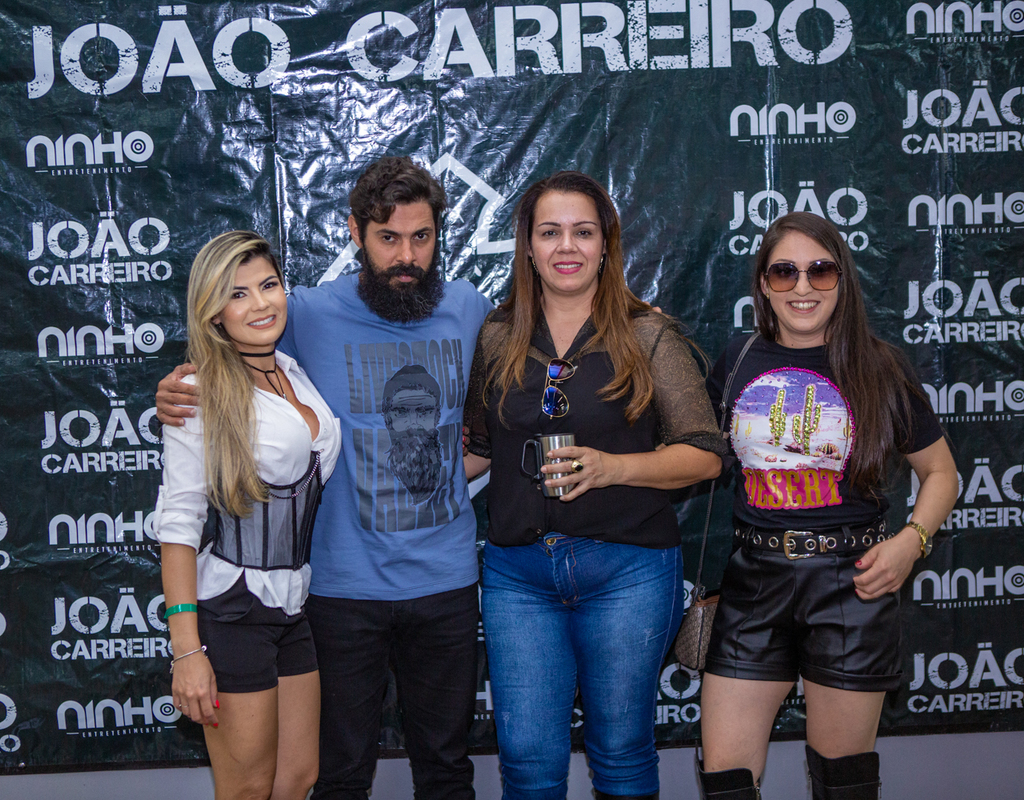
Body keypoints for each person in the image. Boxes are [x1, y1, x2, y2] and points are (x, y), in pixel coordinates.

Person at [157, 156, 494, 800]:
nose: (406, 256)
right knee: (335, 777)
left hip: (447, 582)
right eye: (388, 237)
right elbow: (228, 356)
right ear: (355, 232)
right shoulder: (304, 313)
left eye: (421, 237)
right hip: (337, 592)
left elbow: (534, 371)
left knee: (446, 771)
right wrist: (176, 388)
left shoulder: (471, 310)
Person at [462, 171, 728, 800]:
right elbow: (477, 450)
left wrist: (614, 467)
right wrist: (378, 479)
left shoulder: (648, 334)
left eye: (583, 232)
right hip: (518, 574)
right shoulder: (497, 335)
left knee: (620, 749)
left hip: (628, 570)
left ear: (606, 244)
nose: (566, 246)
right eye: (549, 232)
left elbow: (705, 456)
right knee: (527, 762)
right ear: (527, 245)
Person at [698, 212, 960, 799]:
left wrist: (912, 541)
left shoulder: (881, 366)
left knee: (844, 783)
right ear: (763, 284)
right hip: (754, 581)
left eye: (820, 270)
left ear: (842, 280)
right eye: (784, 272)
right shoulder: (738, 359)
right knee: (726, 782)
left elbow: (942, 473)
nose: (803, 286)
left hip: (853, 584)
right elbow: (695, 455)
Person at [155, 231, 341, 800]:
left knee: (297, 779)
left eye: (269, 285)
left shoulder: (292, 370)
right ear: (214, 311)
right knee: (247, 789)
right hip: (233, 610)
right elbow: (179, 525)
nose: (261, 303)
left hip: (294, 605)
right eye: (238, 294)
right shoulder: (199, 390)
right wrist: (187, 651)